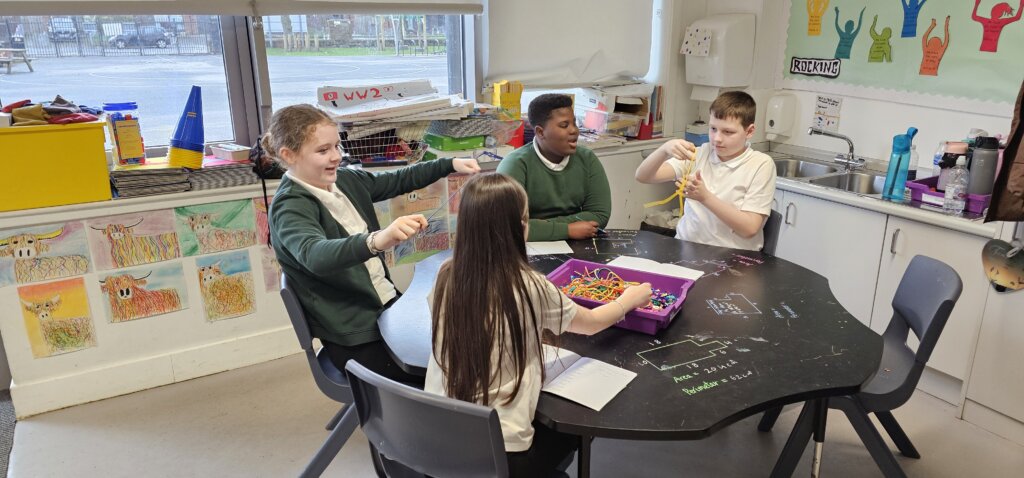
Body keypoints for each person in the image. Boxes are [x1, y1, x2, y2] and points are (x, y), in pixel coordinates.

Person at [425, 173, 651, 477]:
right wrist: (629, 299)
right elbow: (591, 323)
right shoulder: (527, 285)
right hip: (502, 456)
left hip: (437, 442)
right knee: (576, 428)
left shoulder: (444, 274)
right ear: (520, 228)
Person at [266, 104, 480, 383]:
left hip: (384, 306)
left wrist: (448, 165)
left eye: (337, 146)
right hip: (354, 332)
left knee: (455, 348)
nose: (335, 156)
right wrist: (377, 240)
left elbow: (396, 180)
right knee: (437, 374)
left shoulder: (343, 180)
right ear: (288, 155)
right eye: (323, 150)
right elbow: (314, 255)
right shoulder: (290, 207)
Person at [634, 91, 776, 251]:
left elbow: (749, 228)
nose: (717, 138)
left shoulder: (760, 164)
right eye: (713, 128)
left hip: (732, 257)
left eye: (728, 132)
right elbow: (643, 176)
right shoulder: (700, 153)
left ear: (749, 131)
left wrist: (705, 197)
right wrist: (664, 149)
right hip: (686, 248)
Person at [496, 93, 612, 241]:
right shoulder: (515, 164)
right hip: (528, 248)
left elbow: (599, 214)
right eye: (564, 125)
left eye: (574, 123)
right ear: (540, 132)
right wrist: (567, 230)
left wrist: (537, 227)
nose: (574, 130)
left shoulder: (587, 159)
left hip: (578, 243)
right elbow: (508, 226)